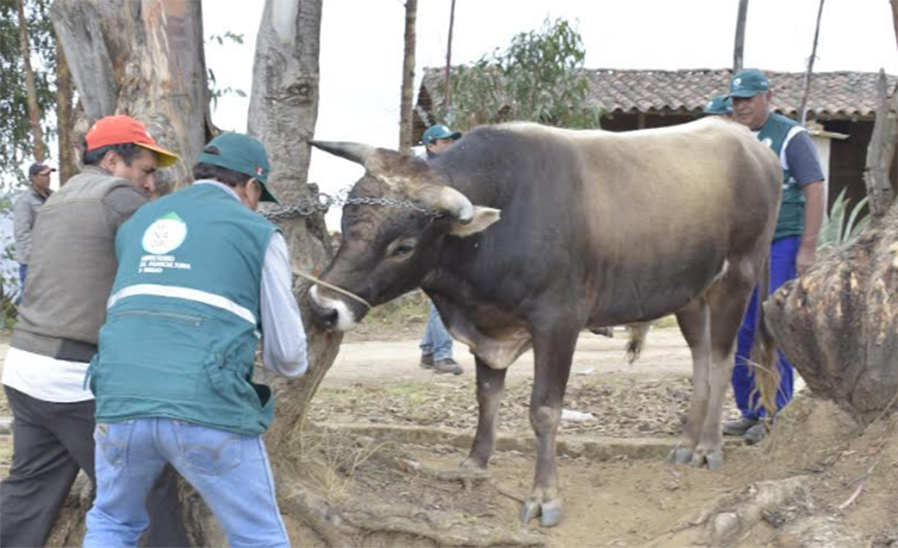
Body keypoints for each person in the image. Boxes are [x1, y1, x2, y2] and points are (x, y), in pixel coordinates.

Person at [83, 132, 309, 548]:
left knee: (112, 522)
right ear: (251, 186)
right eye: (259, 195)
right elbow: (290, 357)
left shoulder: (139, 223)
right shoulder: (256, 231)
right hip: (206, 405)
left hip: (120, 401)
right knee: (258, 536)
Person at [0, 115, 189, 548]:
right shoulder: (117, 197)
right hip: (74, 379)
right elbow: (171, 257)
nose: (150, 184)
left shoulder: (59, 198)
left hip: (26, 368)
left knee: (30, 489)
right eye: (145, 170)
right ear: (111, 160)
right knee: (146, 487)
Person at [724, 69, 825, 444]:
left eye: (749, 98)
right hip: (741, 248)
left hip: (781, 242)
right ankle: (749, 410)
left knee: (771, 327)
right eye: (736, 100)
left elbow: (815, 190)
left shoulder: (790, 136)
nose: (742, 106)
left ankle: (774, 412)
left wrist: (808, 248)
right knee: (739, 327)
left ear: (769, 97)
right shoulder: (732, 137)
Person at [418, 124, 463, 375]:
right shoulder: (423, 171)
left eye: (451, 140)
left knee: (440, 295)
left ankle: (428, 350)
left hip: (444, 238)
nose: (450, 145)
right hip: (429, 240)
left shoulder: (448, 168)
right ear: (431, 145)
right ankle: (442, 355)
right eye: (444, 141)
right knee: (444, 296)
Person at [13, 162, 55, 293]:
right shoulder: (25, 201)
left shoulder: (54, 197)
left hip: (51, 259)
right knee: (31, 299)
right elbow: (22, 233)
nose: (48, 177)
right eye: (44, 175)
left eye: (49, 174)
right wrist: (34, 259)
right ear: (33, 177)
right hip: (32, 263)